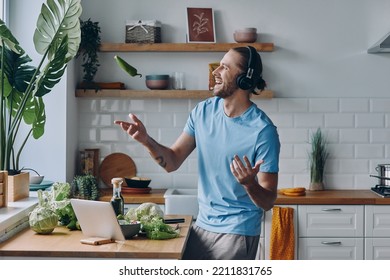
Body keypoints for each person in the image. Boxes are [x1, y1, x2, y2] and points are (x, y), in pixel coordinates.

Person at [114, 46, 280, 260]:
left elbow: (268, 201)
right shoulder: (203, 112)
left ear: (245, 79)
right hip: (202, 226)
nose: (215, 72)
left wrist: (250, 184)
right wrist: (146, 140)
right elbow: (172, 161)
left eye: (224, 67)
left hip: (237, 232)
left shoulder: (263, 131)